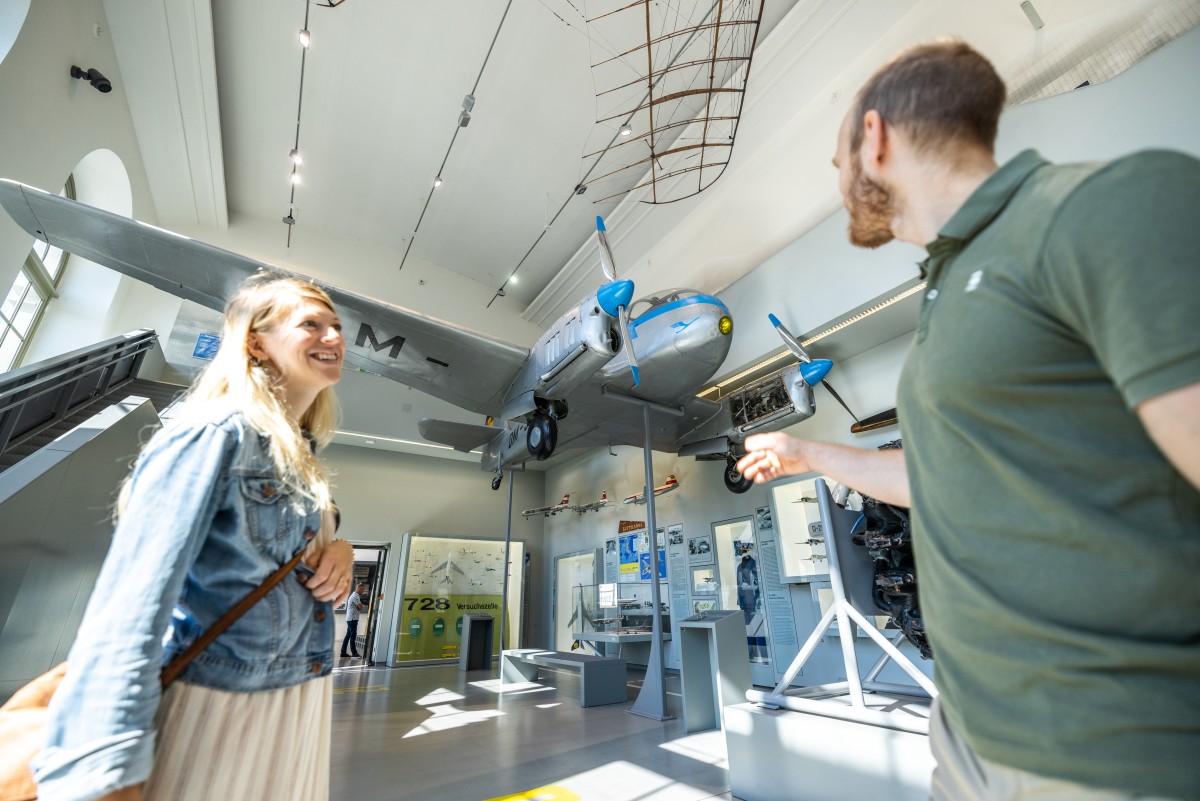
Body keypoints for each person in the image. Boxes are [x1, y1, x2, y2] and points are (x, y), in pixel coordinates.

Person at [736, 39, 1200, 801]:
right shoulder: (949, 293)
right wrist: (809, 454)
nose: (840, 181)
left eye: (838, 161)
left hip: (1108, 740)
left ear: (876, 138)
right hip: (970, 729)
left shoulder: (1099, 206)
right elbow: (941, 478)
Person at [32, 272, 356, 801]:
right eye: (311, 324)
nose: (334, 337)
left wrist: (337, 546)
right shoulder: (214, 433)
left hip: (296, 703)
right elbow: (132, 606)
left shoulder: (301, 457)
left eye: (337, 326)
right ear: (256, 342)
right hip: (218, 707)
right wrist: (104, 771)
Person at [341, 582, 367, 658]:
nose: (363, 591)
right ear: (359, 588)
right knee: (352, 636)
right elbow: (360, 607)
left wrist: (359, 606)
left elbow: (359, 607)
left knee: (348, 635)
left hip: (351, 618)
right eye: (362, 589)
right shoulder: (355, 596)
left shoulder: (355, 595)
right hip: (352, 618)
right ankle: (354, 653)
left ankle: (343, 652)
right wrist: (361, 606)